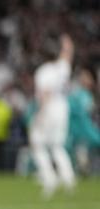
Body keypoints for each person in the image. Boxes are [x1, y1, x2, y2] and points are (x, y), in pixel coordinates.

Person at [29, 34, 75, 198]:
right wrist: (67, 43)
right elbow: (68, 55)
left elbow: (45, 95)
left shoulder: (43, 71)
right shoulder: (63, 67)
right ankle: (68, 179)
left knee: (36, 143)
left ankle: (49, 177)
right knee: (57, 145)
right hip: (63, 108)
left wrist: (39, 115)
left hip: (49, 109)